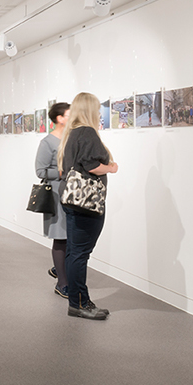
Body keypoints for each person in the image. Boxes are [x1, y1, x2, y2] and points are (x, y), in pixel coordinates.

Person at [58, 91, 118, 321]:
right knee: (80, 254)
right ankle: (79, 304)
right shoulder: (87, 132)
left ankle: (81, 300)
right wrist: (111, 167)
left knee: (75, 252)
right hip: (86, 204)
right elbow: (93, 166)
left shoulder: (71, 133)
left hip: (72, 201)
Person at [34, 102, 70, 299]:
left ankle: (60, 269)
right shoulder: (47, 143)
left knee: (71, 237)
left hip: (72, 194)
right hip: (56, 194)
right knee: (60, 236)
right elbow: (40, 171)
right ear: (59, 118)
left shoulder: (71, 138)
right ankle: (62, 283)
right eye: (69, 114)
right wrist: (62, 172)